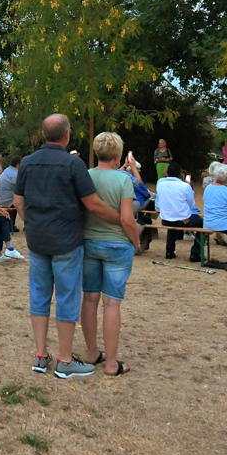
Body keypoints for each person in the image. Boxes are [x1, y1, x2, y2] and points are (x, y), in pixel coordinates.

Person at [13, 114, 122, 379]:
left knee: (39, 296)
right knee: (67, 298)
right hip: (67, 243)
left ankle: (40, 355)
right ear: (67, 135)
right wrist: (122, 221)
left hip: (38, 241)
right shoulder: (73, 164)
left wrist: (35, 223)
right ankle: (64, 359)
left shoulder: (27, 163)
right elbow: (93, 203)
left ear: (43, 134)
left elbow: (18, 202)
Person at [79, 132, 142, 377]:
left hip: (89, 242)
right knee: (112, 302)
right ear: (118, 155)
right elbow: (127, 218)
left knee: (89, 299)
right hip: (116, 244)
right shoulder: (124, 179)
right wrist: (135, 240)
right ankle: (111, 363)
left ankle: (92, 351)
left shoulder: (85, 176)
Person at [156, 162, 202, 262]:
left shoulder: (160, 184)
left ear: (167, 173)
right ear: (180, 173)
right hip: (183, 220)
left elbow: (159, 202)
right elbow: (191, 204)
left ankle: (169, 251)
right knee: (202, 223)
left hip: (165, 219)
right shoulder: (185, 186)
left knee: (173, 219)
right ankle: (195, 253)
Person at [0, 155, 20, 232]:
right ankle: (11, 225)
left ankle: (11, 224)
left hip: (1, 198)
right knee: (22, 202)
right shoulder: (15, 174)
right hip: (6, 200)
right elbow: (20, 187)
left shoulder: (8, 170)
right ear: (18, 164)